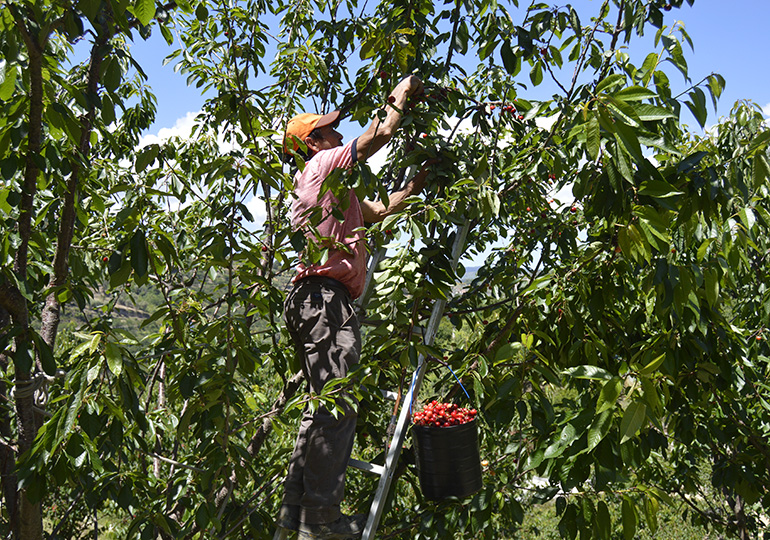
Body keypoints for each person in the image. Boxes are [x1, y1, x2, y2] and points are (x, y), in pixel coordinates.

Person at [277, 75, 431, 540]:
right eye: (329, 131)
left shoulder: (329, 187)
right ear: (313, 144)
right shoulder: (322, 166)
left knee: (321, 406)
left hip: (313, 300)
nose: (338, 134)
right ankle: (321, 518)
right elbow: (378, 134)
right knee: (339, 406)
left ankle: (297, 512)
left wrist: (420, 179)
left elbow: (379, 211)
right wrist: (404, 90)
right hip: (325, 301)